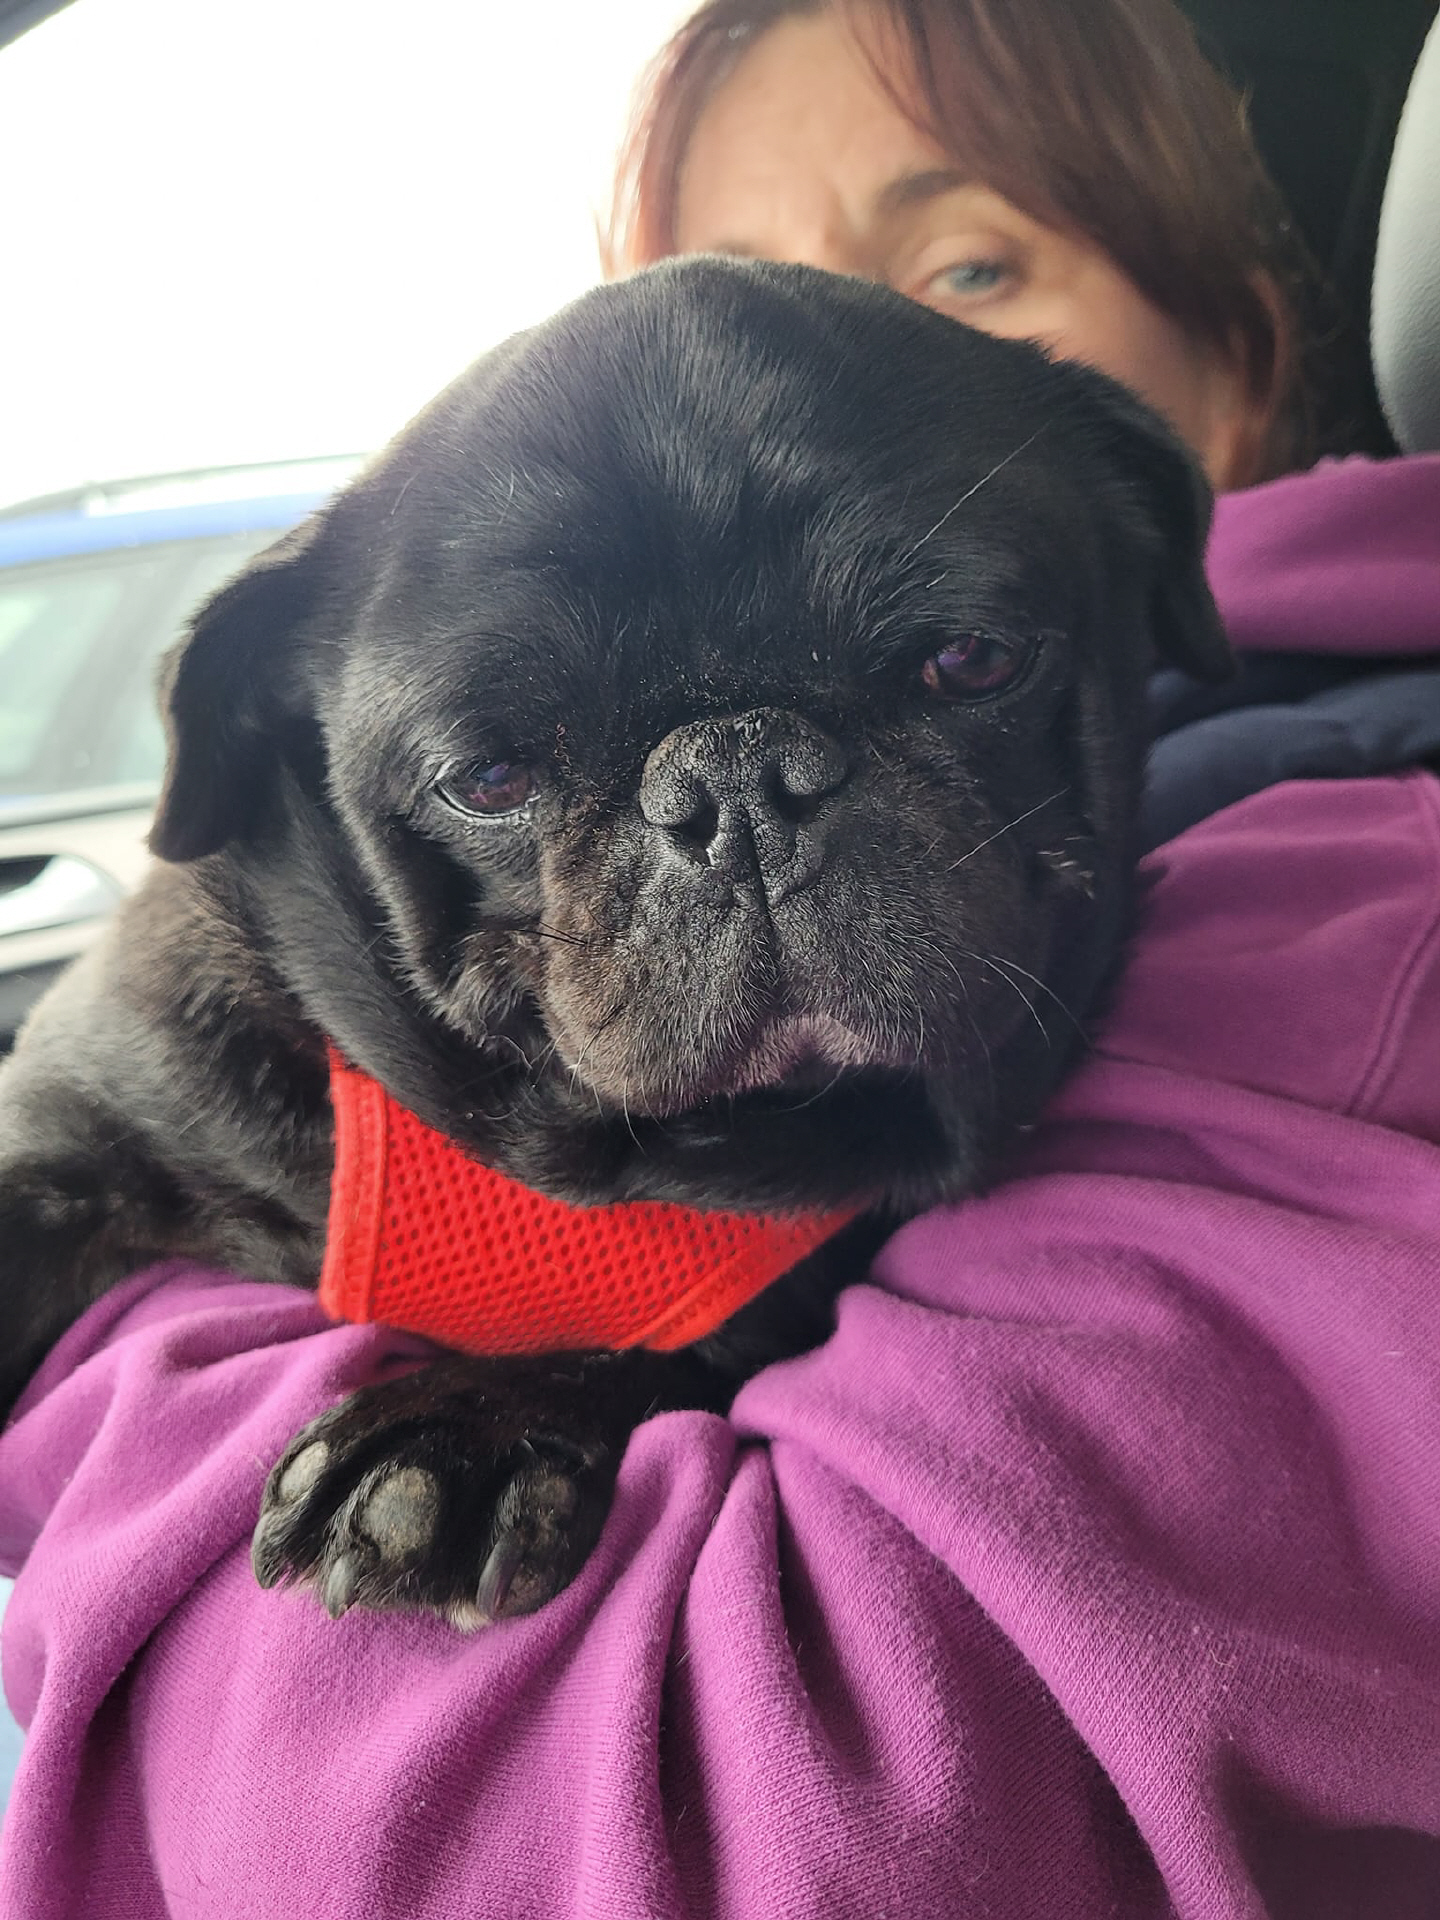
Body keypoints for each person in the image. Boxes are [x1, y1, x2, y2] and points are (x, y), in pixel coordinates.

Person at [1, 3, 1438, 1915]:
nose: (742, 832)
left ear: (1207, 393)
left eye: (959, 270)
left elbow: (761, 1818)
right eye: (505, 776)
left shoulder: (1336, 887)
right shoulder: (232, 980)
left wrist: (175, 1412)